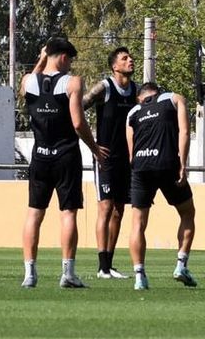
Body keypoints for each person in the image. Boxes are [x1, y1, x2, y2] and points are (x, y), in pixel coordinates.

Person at [20, 39, 108, 289]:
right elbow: (78, 122)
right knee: (68, 212)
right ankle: (67, 273)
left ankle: (29, 274)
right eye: (69, 59)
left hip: (40, 155)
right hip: (65, 154)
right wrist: (94, 149)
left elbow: (25, 91)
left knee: (34, 213)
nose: (70, 65)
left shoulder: (28, 81)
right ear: (63, 57)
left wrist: (41, 59)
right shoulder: (73, 82)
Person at [125, 82, 195, 290]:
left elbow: (131, 150)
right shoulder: (175, 98)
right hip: (167, 164)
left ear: (140, 97)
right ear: (158, 92)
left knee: (138, 223)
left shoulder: (133, 112)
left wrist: (137, 170)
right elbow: (184, 132)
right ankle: (181, 265)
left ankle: (139, 276)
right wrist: (183, 163)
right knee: (187, 213)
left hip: (141, 167)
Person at [81, 46, 136, 280]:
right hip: (105, 158)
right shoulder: (103, 88)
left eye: (130, 57)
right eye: (125, 58)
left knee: (119, 210)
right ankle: (101, 267)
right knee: (105, 207)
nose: (130, 60)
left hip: (127, 160)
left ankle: (110, 265)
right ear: (115, 66)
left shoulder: (136, 90)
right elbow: (77, 107)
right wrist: (92, 145)